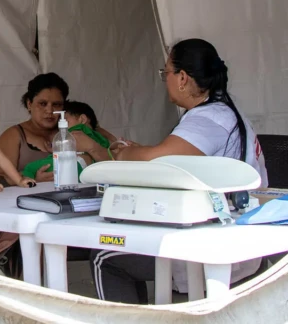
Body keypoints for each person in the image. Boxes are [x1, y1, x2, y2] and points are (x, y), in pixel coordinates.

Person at [93, 38, 269, 303]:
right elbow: (172, 157)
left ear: (183, 78)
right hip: (233, 237)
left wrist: (125, 153)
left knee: (105, 257)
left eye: (166, 73)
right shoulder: (224, 112)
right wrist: (146, 152)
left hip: (212, 246)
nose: (165, 80)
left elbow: (156, 160)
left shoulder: (207, 119)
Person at [20, 100, 121, 180]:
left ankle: (24, 180)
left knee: (29, 168)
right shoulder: (99, 136)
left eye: (66, 120)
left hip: (70, 164)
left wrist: (53, 147)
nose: (62, 126)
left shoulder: (77, 130)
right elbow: (108, 147)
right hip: (84, 171)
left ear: (82, 119)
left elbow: (65, 147)